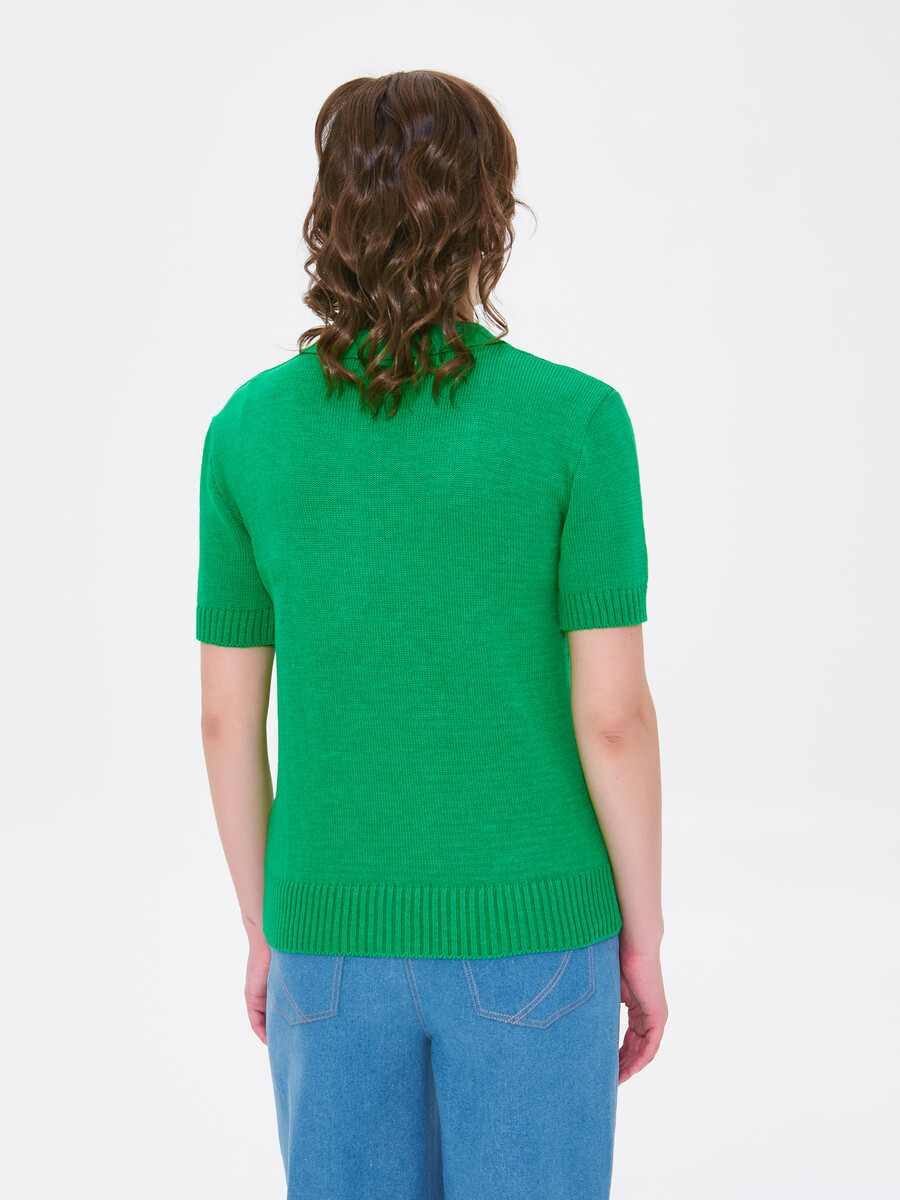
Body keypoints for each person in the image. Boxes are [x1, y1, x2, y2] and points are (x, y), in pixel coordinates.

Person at [197, 69, 666, 1200]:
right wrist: (642, 937)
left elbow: (223, 721)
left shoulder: (247, 431)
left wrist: (267, 926)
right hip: (533, 928)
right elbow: (612, 716)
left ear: (332, 214)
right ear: (491, 213)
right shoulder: (576, 422)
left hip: (324, 938)